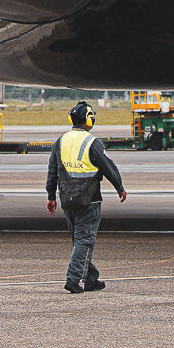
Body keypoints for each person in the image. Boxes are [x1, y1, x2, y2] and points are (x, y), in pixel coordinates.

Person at [46, 100, 125, 294]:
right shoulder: (92, 142)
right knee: (85, 240)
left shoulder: (61, 141)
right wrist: (119, 187)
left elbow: (52, 170)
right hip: (89, 199)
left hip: (67, 200)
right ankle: (73, 279)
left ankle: (91, 279)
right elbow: (108, 167)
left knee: (79, 240)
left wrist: (51, 196)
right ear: (88, 120)